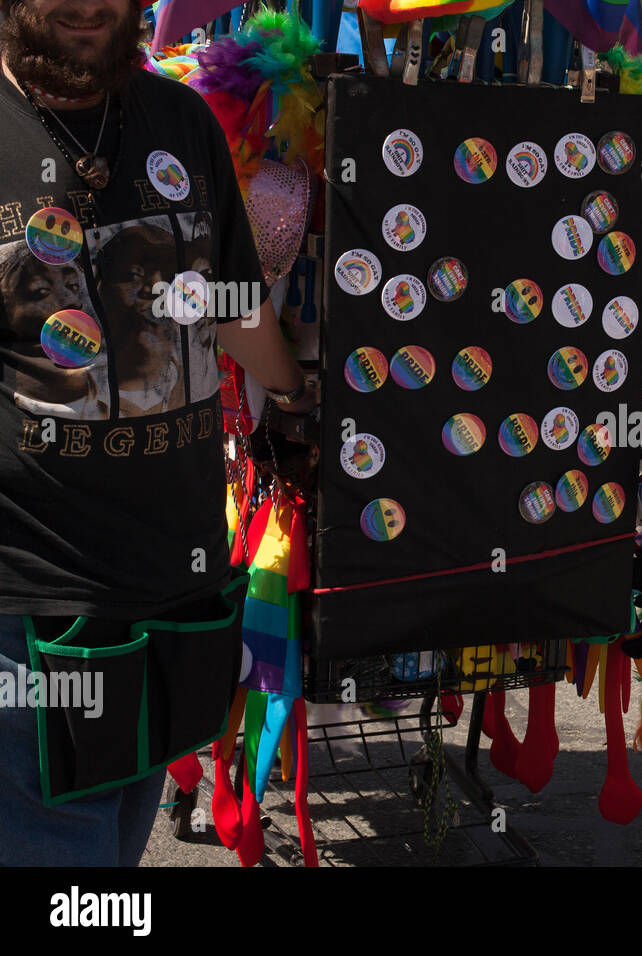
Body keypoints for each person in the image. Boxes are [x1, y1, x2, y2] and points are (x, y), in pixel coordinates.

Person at [0, 0, 315, 865]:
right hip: (31, 603)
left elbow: (236, 307)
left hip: (175, 583)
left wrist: (296, 398)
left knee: (113, 846)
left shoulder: (179, 118)